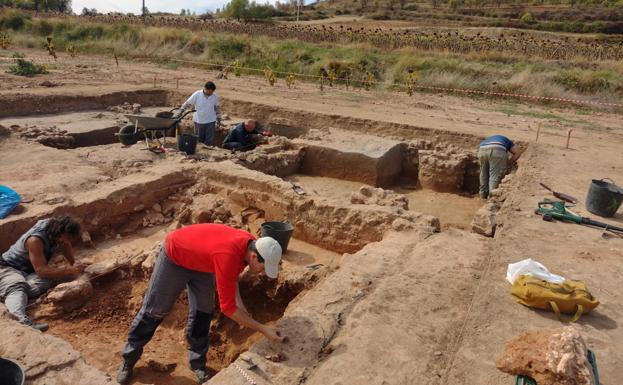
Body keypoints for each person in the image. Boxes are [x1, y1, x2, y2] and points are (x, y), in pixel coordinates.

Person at [117, 224, 286, 385]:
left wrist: (243, 311)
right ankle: (128, 359)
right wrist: (263, 329)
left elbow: (231, 278)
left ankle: (197, 363)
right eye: (264, 268)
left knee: (203, 312)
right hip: (175, 256)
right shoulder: (227, 255)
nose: (263, 273)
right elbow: (227, 308)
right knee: (155, 311)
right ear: (254, 257)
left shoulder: (250, 245)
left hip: (203, 264)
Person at [0, 215, 81, 331]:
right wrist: (69, 270)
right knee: (18, 286)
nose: (66, 241)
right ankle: (19, 322)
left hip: (29, 272)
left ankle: (10, 293)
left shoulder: (56, 230)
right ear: (59, 233)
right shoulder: (35, 240)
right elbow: (41, 271)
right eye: (66, 238)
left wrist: (74, 263)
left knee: (51, 279)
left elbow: (65, 244)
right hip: (7, 268)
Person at [478, 134, 523, 199]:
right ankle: (492, 198)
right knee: (495, 175)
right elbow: (517, 152)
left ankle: (482, 195)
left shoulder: (490, 139)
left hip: (481, 150)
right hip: (497, 150)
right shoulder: (509, 142)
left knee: (483, 174)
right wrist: (509, 163)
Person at [180, 81, 222, 146]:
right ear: (205, 88)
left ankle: (209, 152)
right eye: (209, 92)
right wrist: (181, 111)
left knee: (209, 140)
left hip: (211, 121)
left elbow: (217, 107)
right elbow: (188, 103)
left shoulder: (214, 96)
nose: (211, 93)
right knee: (199, 140)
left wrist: (219, 117)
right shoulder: (197, 94)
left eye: (212, 92)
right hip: (199, 121)